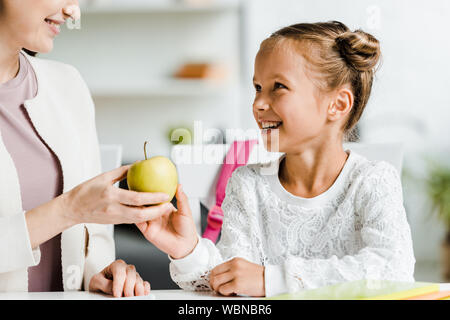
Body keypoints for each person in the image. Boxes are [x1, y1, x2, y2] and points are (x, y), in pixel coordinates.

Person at [136, 21, 416, 297]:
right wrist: (187, 250)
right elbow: (236, 280)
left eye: (278, 86)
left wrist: (272, 279)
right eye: (257, 87)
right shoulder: (247, 184)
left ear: (337, 104)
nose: (258, 103)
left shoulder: (373, 180)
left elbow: (393, 270)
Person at [0, 0, 175, 297]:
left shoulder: (68, 85)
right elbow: (75, 210)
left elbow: (93, 237)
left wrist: (99, 273)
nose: (73, 11)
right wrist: (69, 210)